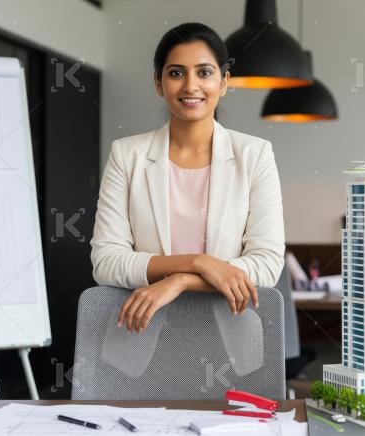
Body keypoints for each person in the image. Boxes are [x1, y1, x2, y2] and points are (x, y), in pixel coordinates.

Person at [91, 22, 285, 335]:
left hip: (230, 340)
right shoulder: (127, 155)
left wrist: (180, 280)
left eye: (204, 72)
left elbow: (266, 265)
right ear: (158, 82)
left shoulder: (255, 155)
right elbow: (107, 262)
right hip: (140, 337)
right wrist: (198, 261)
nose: (190, 85)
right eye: (176, 73)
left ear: (224, 82)